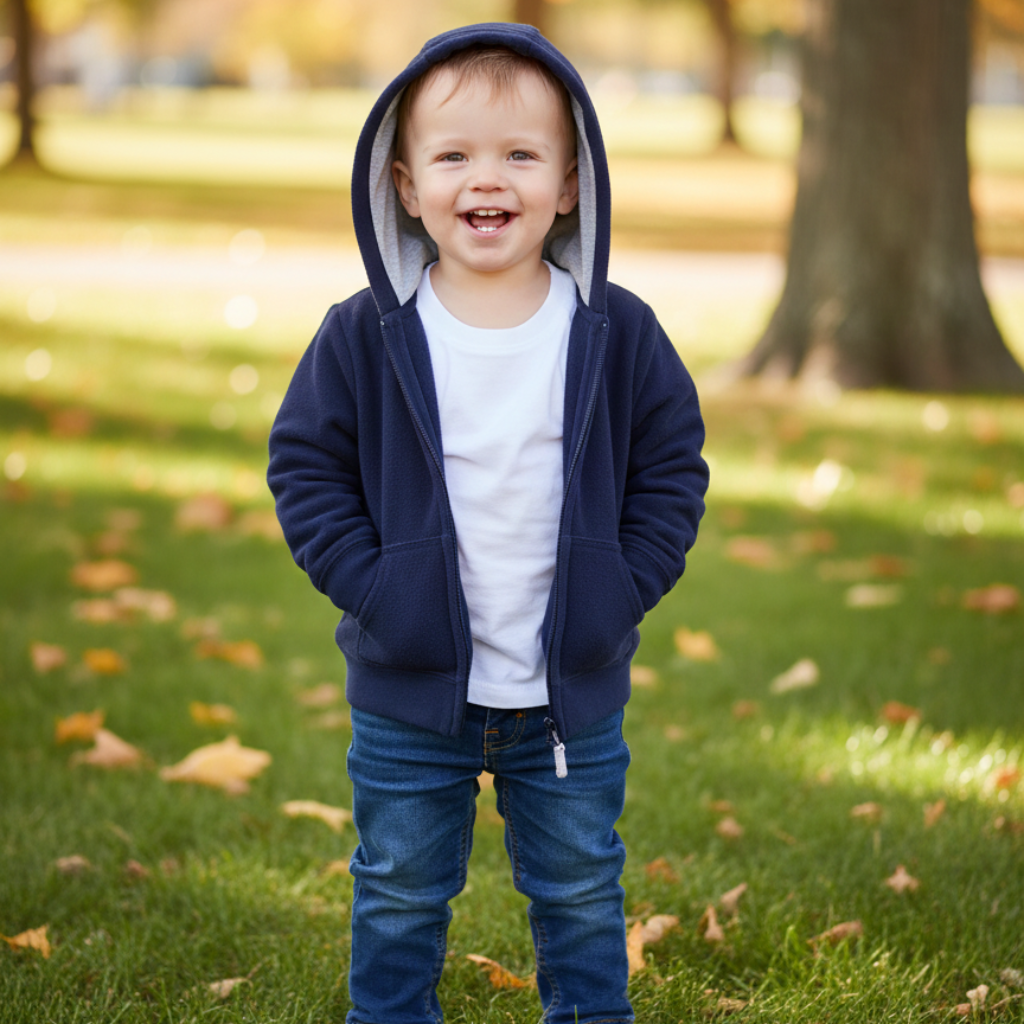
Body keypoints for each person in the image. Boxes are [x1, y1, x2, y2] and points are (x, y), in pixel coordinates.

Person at [267, 22, 709, 1024]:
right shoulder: (365, 334)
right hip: (410, 692)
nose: (486, 179)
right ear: (404, 185)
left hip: (566, 700)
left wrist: (621, 588)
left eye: (520, 154)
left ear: (570, 183)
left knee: (581, 890)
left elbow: (671, 467)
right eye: (453, 156)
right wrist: (377, 591)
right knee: (397, 889)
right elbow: (305, 466)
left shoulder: (615, 331)